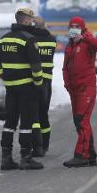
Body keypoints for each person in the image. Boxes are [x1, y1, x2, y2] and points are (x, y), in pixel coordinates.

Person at [0, 8, 44, 170]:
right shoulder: (29, 39)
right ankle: (26, 158)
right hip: (27, 88)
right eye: (30, 19)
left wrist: (7, 79)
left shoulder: (4, 40)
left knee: (10, 122)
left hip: (11, 89)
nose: (32, 22)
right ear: (24, 21)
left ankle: (6, 158)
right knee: (26, 122)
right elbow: (36, 66)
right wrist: (38, 83)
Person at [62, 16, 97, 167]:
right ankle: (90, 154)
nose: (73, 28)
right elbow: (65, 67)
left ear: (82, 28)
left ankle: (81, 155)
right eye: (71, 26)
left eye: (76, 26)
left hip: (86, 88)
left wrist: (84, 38)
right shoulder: (69, 46)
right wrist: (67, 84)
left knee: (82, 120)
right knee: (79, 121)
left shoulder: (88, 41)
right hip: (74, 90)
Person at [31, 16, 57, 155]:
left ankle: (37, 146)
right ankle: (45, 145)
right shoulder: (52, 39)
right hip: (47, 82)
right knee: (43, 114)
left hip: (33, 81)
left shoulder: (30, 40)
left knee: (33, 115)